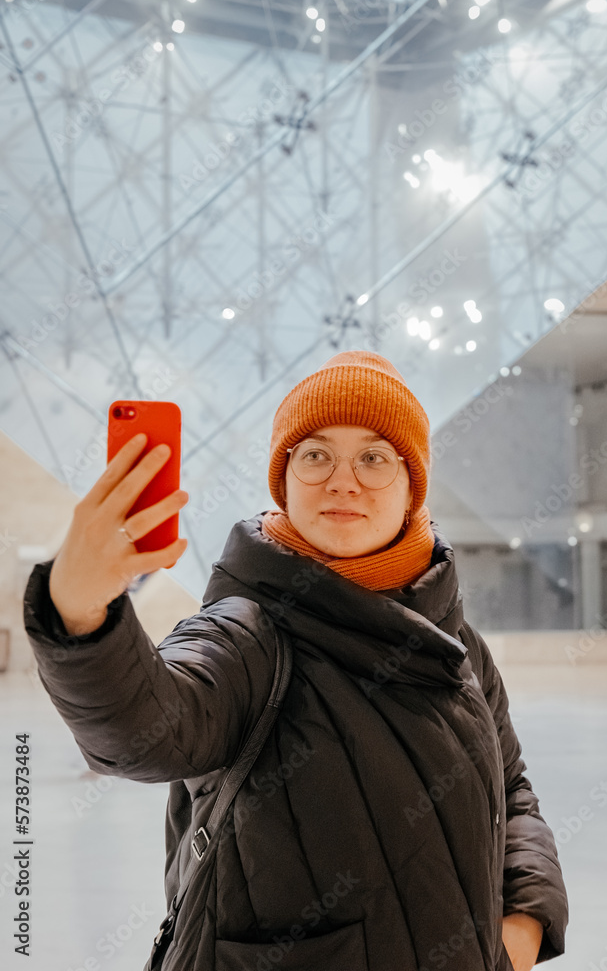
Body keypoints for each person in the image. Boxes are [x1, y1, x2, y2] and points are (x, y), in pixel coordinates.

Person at [23, 350, 568, 970]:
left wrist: (526, 919)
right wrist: (78, 613)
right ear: (284, 482)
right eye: (315, 455)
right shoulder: (247, 632)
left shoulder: (456, 639)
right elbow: (145, 732)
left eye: (373, 458)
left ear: (412, 488)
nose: (343, 481)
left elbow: (513, 790)